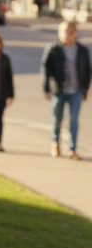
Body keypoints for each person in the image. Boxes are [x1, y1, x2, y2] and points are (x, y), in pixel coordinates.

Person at [41, 20, 89, 160]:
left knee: (74, 120)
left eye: (71, 32)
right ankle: (55, 143)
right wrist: (47, 88)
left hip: (76, 90)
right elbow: (46, 69)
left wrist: (85, 89)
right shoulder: (53, 49)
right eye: (65, 32)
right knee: (57, 118)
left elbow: (87, 71)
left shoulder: (82, 51)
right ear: (59, 33)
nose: (68, 35)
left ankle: (72, 149)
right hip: (59, 90)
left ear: (76, 34)